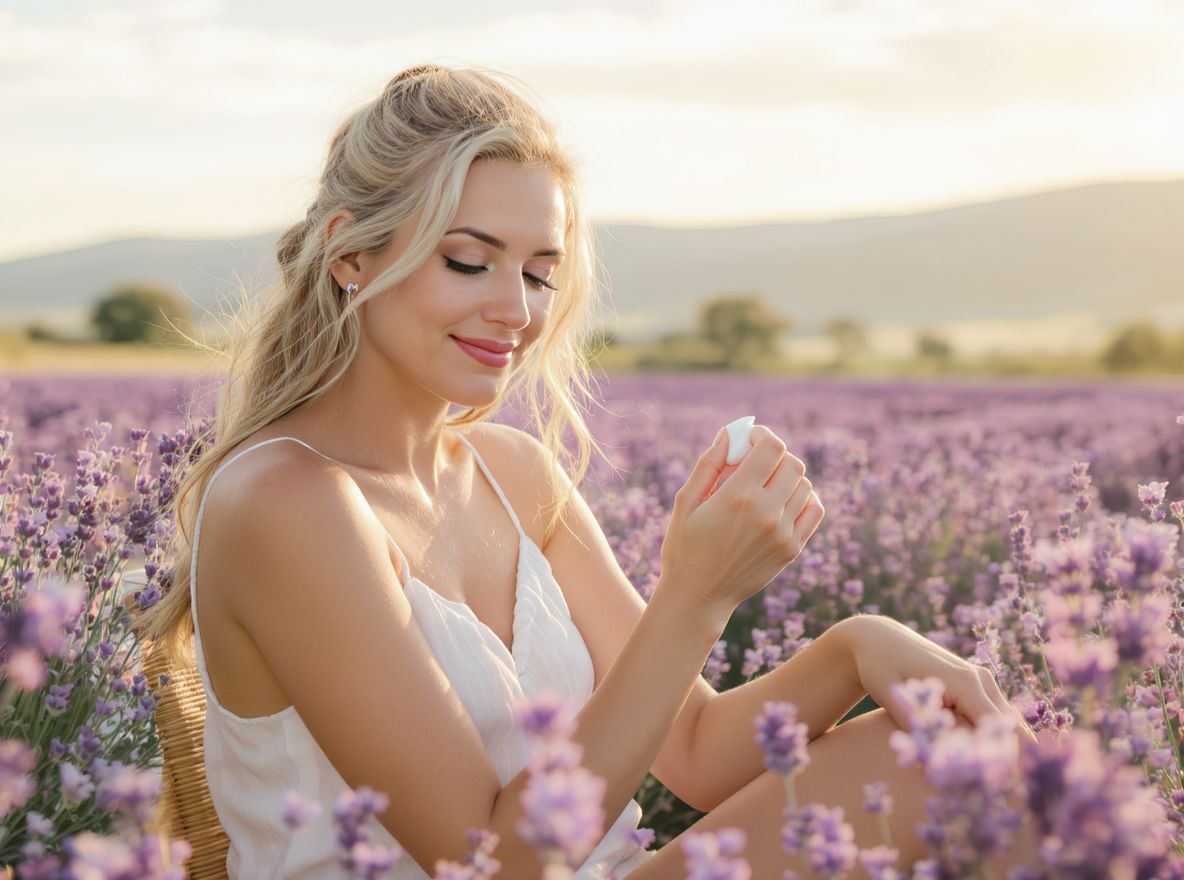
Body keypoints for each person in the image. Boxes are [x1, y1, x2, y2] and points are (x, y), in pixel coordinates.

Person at [136, 63, 1037, 878]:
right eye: (467, 260)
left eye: (538, 272)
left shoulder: (513, 473)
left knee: (960, 758)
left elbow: (691, 745)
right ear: (349, 254)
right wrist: (696, 597)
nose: (514, 309)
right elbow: (488, 865)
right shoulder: (284, 502)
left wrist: (859, 643)